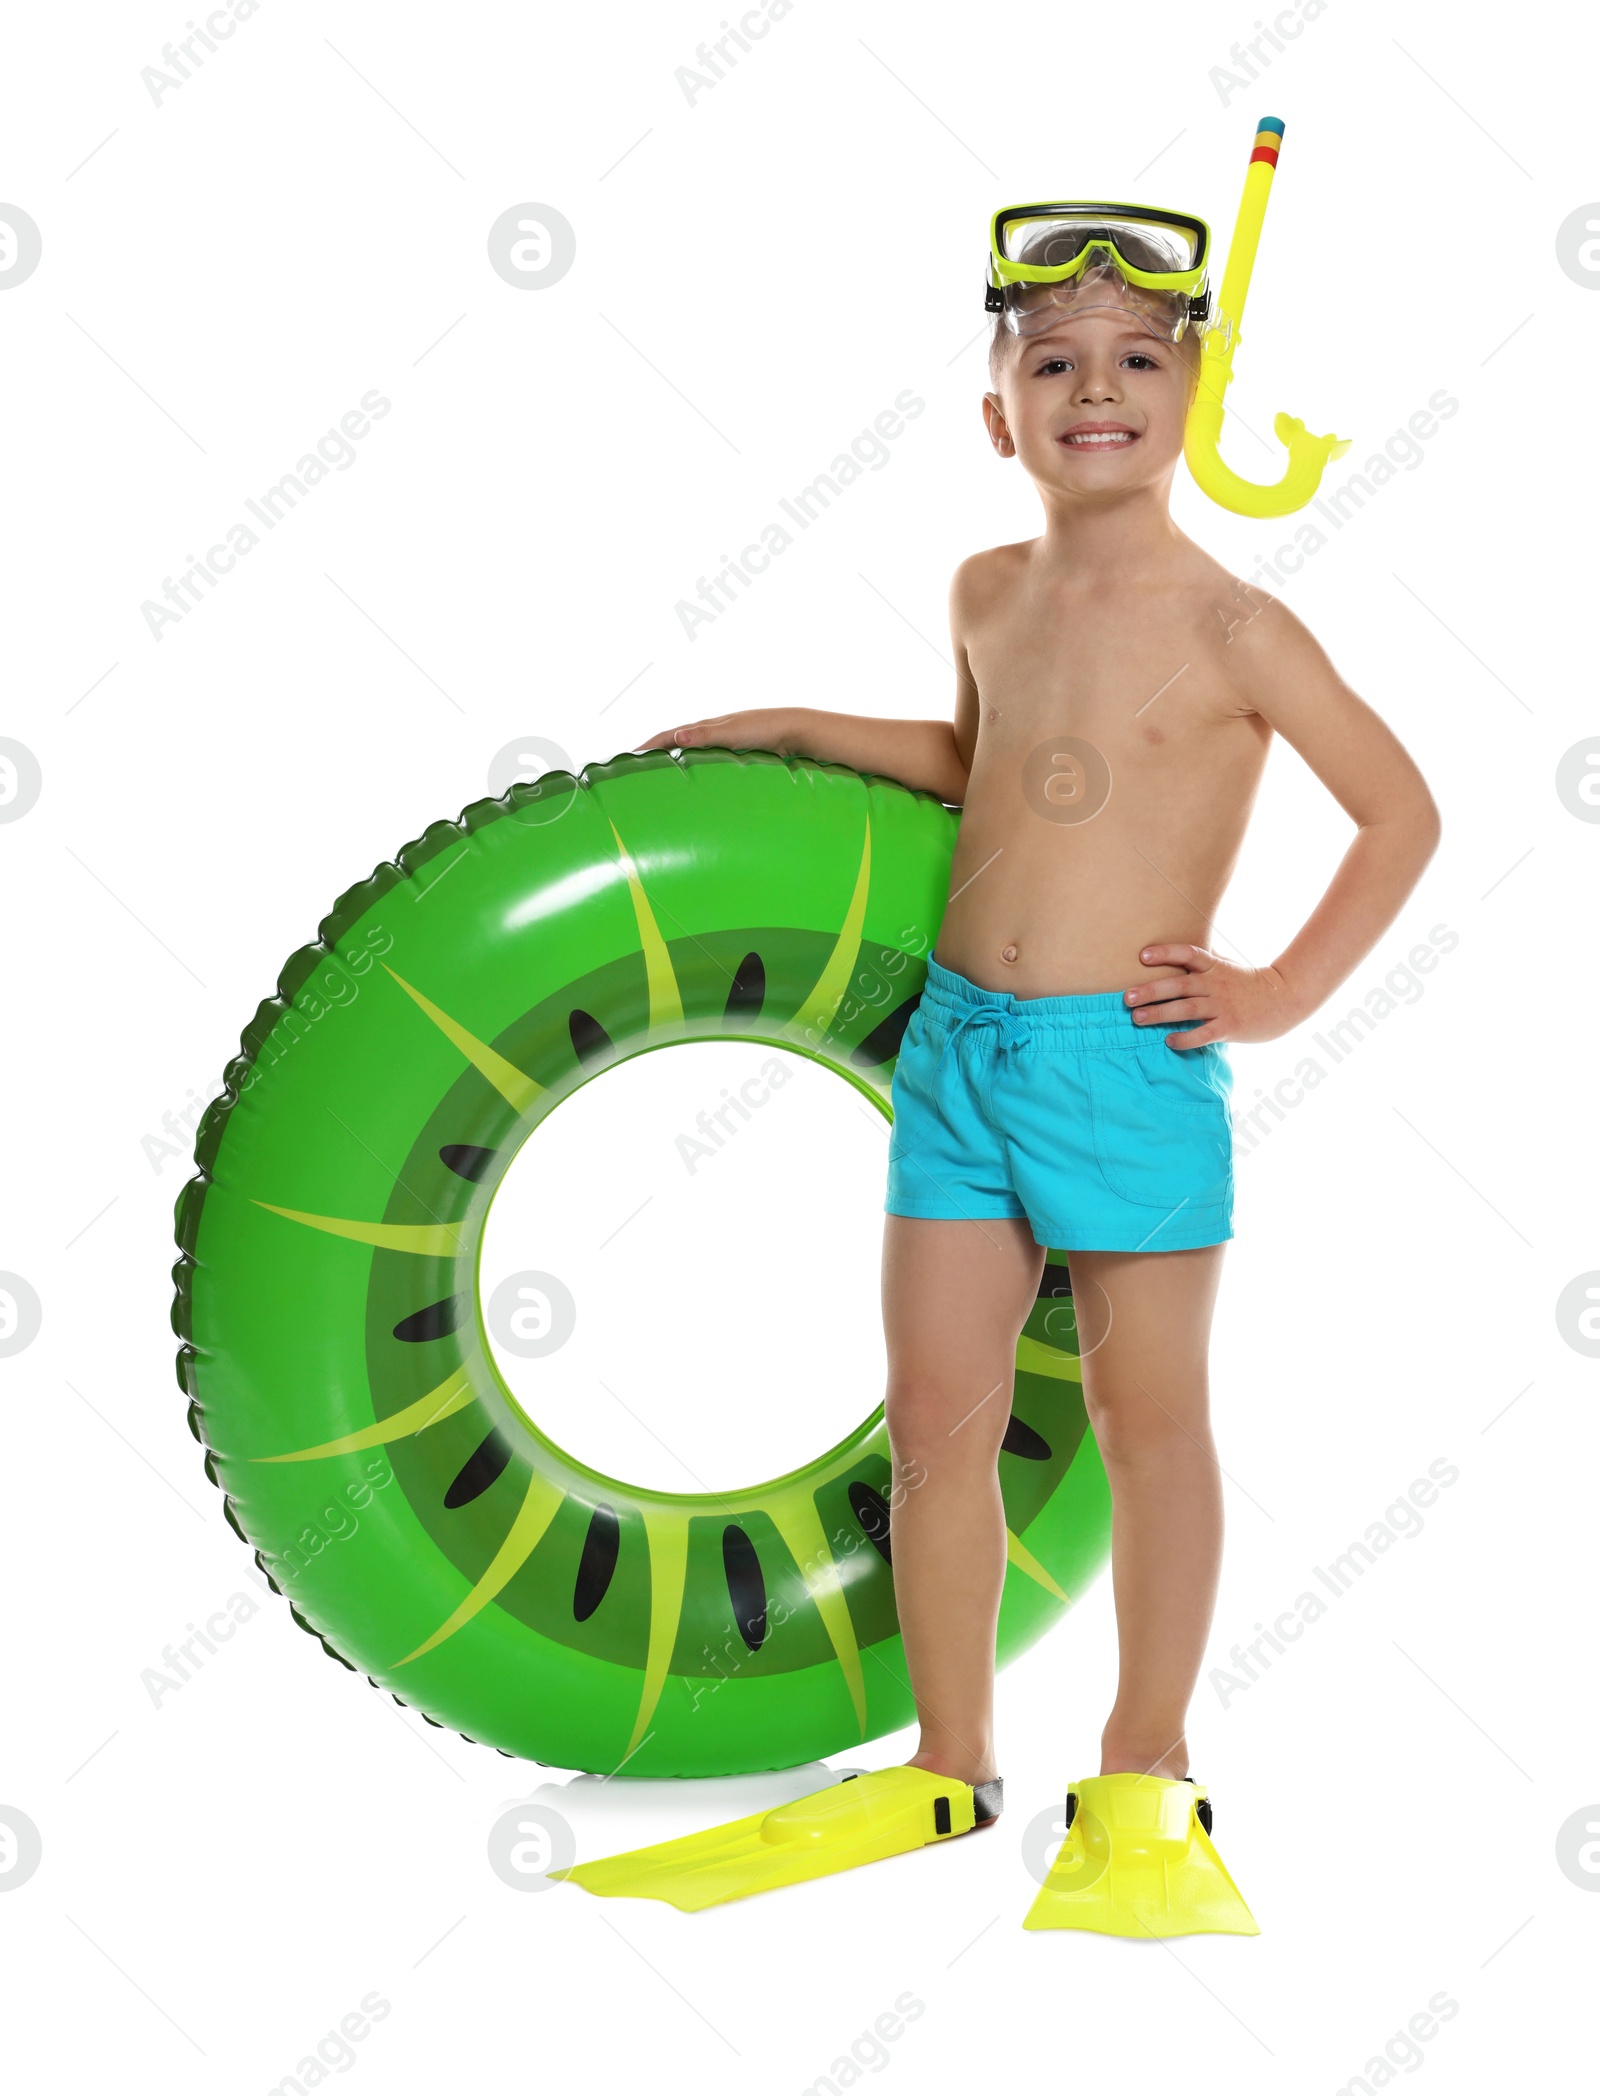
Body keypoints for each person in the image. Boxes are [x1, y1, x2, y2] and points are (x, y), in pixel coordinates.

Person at [568, 176, 1439, 1928]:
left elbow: (1403, 814)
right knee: (936, 1423)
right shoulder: (984, 588)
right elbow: (990, 767)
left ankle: (1146, 1769)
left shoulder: (1236, 627)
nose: (1093, 387)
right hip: (955, 1057)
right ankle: (946, 1763)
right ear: (998, 412)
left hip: (1123, 1066)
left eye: (1134, 358)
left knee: (1147, 1421)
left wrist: (1271, 993)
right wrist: (793, 726)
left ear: (1197, 397)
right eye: (1053, 361)